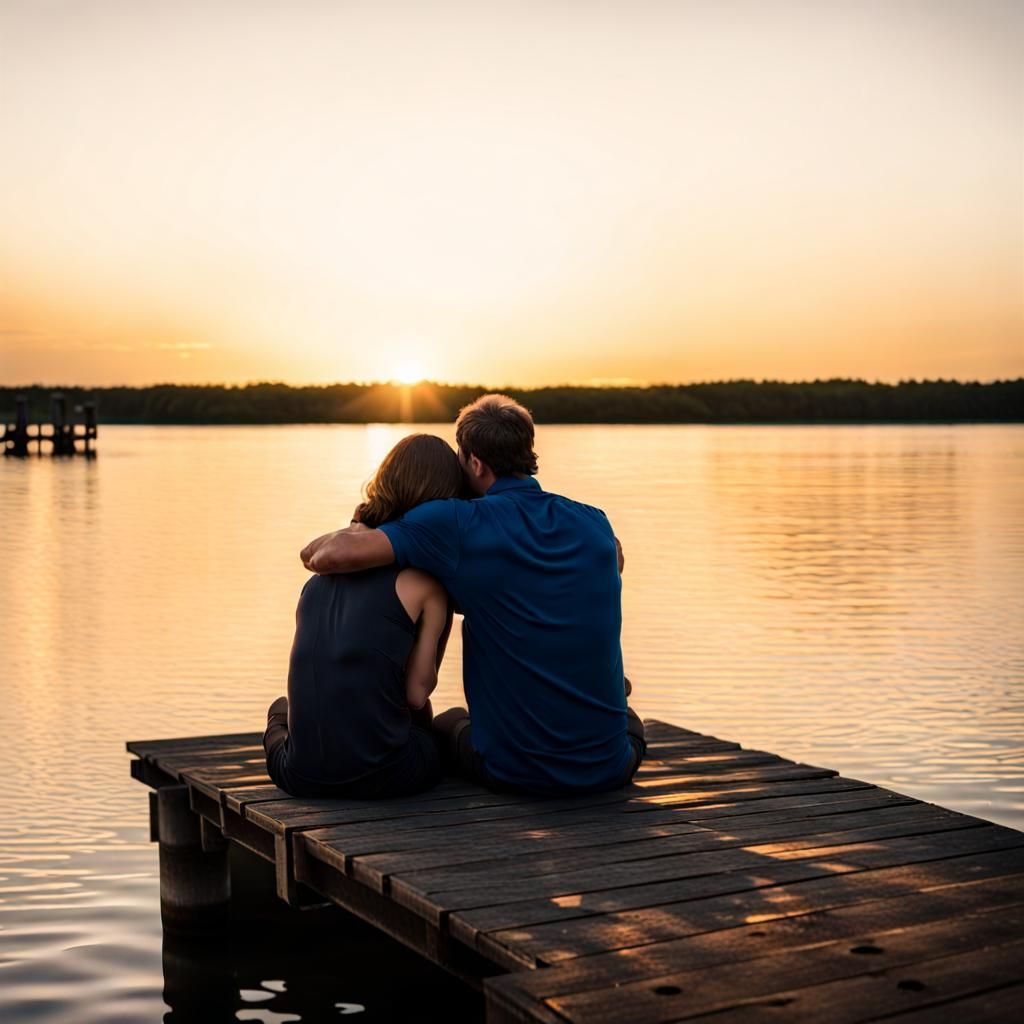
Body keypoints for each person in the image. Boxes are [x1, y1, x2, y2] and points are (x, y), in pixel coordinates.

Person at [301, 394, 646, 796]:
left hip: (512, 771)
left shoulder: (457, 524)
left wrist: (363, 521)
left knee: (449, 722)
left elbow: (326, 556)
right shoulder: (594, 523)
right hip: (610, 768)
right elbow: (615, 558)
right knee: (625, 718)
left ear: (476, 462)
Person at [264, 433, 462, 798]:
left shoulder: (316, 581)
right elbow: (417, 695)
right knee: (451, 726)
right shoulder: (426, 585)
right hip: (387, 775)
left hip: (299, 777)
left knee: (280, 709)